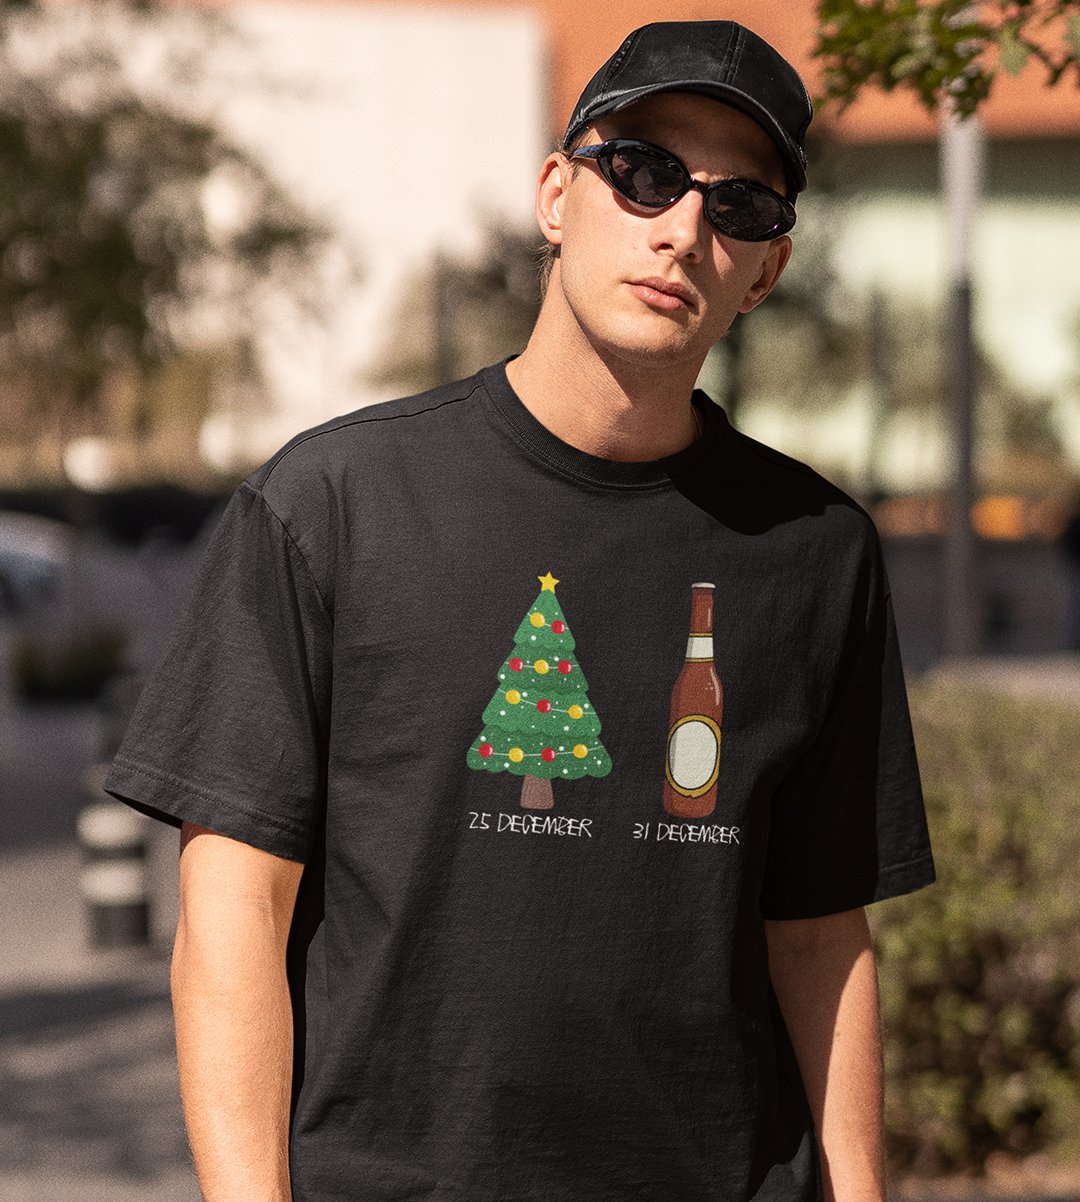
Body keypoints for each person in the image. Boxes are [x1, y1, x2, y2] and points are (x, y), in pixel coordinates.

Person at [106, 20, 935, 1202]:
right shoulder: (332, 504)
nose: (682, 228)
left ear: (766, 270)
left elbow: (818, 931)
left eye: (739, 204)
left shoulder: (816, 550)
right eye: (643, 171)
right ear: (556, 195)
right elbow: (234, 903)